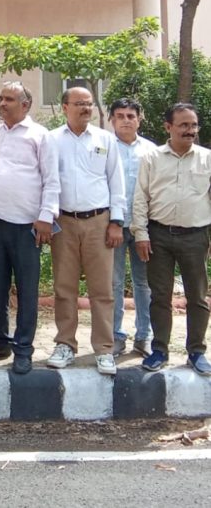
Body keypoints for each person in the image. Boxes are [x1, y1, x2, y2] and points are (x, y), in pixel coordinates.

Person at [47, 87, 125, 376]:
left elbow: (116, 181)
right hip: (63, 222)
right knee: (64, 287)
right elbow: (46, 180)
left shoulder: (105, 139)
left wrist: (116, 221)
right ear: (64, 107)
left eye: (89, 104)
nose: (86, 108)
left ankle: (104, 349)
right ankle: (65, 344)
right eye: (79, 103)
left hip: (99, 222)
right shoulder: (52, 140)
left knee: (102, 289)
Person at [0, 82, 59, 375]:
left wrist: (46, 216)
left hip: (28, 226)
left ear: (25, 105)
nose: (2, 103)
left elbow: (51, 179)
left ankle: (23, 348)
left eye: (9, 99)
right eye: (1, 98)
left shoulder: (40, 135)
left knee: (27, 290)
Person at [133, 103, 211, 376]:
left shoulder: (207, 158)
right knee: (160, 296)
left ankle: (196, 351)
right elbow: (140, 198)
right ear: (168, 127)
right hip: (158, 237)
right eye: (184, 125)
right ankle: (160, 350)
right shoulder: (151, 158)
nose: (190, 130)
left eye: (194, 125)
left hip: (195, 237)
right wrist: (141, 234)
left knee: (197, 297)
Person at [108, 98, 156, 357]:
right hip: (112, 226)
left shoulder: (151, 150)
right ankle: (115, 336)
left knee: (143, 283)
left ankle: (144, 336)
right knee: (114, 283)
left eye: (131, 116)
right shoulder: (104, 147)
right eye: (120, 116)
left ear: (140, 119)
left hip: (143, 227)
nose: (126, 120)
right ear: (111, 120)